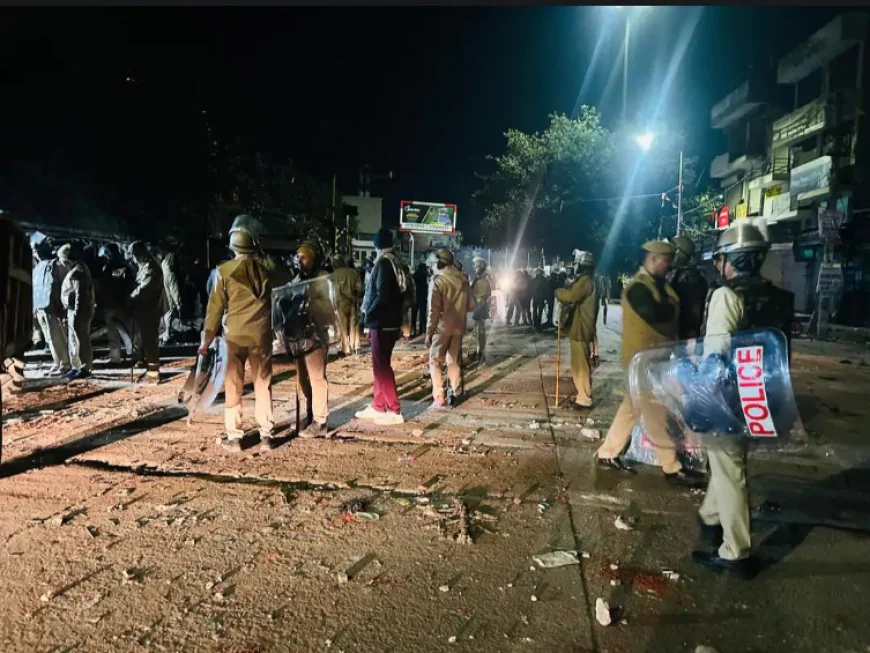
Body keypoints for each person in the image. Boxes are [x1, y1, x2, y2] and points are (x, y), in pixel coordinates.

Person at [693, 223, 794, 578]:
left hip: (729, 399)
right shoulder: (780, 298)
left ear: (731, 260)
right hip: (764, 396)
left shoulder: (727, 296)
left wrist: (699, 398)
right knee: (728, 463)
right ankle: (710, 517)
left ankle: (735, 552)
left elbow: (715, 355)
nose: (718, 266)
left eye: (720, 259)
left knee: (731, 469)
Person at [594, 240, 703, 487]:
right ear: (653, 259)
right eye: (666, 261)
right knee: (655, 412)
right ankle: (671, 468)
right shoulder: (638, 288)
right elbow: (656, 314)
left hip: (657, 358)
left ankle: (607, 452)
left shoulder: (661, 285)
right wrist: (673, 308)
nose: (669, 265)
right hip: (641, 360)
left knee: (632, 407)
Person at [201, 229, 275, 452]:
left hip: (233, 337)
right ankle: (266, 435)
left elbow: (214, 310)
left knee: (233, 385)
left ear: (232, 247)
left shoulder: (223, 272)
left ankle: (234, 438)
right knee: (263, 383)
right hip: (261, 336)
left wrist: (206, 340)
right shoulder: (266, 270)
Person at [356, 228, 408, 425]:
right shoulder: (394, 261)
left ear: (377, 245)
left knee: (382, 367)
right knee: (379, 365)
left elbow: (382, 295)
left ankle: (394, 410)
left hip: (382, 323)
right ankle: (378, 405)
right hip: (390, 322)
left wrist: (368, 315)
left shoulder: (384, 263)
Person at [289, 239, 332, 438]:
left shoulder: (322, 278)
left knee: (317, 378)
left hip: (315, 334)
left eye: (304, 257)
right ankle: (308, 414)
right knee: (302, 379)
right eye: (298, 257)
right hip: (299, 334)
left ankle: (320, 420)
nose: (300, 261)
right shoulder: (299, 278)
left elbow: (327, 307)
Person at [426, 248, 473, 409]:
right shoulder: (464, 279)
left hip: (441, 327)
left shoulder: (437, 280)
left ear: (440, 263)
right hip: (459, 326)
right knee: (454, 361)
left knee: (435, 361)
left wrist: (429, 332)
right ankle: (456, 392)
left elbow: (433, 311)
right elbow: (471, 305)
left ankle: (439, 395)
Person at [555, 251, 598, 409]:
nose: (574, 266)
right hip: (580, 327)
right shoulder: (588, 280)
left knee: (581, 365)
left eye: (576, 263)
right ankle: (582, 395)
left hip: (581, 327)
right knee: (578, 364)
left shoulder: (585, 281)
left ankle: (584, 398)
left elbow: (572, 296)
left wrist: (558, 292)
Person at [31, 238, 71, 376]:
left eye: (37, 250)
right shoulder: (39, 266)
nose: (36, 253)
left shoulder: (58, 265)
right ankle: (57, 361)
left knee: (56, 336)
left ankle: (65, 363)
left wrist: (63, 305)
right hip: (42, 306)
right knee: (49, 337)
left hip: (53, 306)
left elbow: (64, 286)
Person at [58, 242, 96, 380]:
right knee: (74, 341)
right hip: (74, 310)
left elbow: (81, 294)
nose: (60, 262)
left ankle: (85, 368)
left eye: (61, 259)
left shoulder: (79, 271)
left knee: (81, 341)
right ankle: (77, 367)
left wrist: (78, 314)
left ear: (68, 259)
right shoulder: (76, 268)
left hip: (79, 311)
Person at [128, 241, 164, 384]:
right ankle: (149, 366)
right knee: (145, 340)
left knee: (150, 341)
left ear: (142, 254)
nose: (133, 258)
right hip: (144, 310)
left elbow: (145, 289)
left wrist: (131, 297)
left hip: (149, 309)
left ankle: (153, 372)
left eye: (134, 255)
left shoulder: (151, 268)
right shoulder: (144, 266)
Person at [97, 244, 134, 364]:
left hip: (112, 305)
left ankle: (116, 357)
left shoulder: (107, 268)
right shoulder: (125, 267)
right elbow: (129, 285)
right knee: (128, 331)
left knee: (114, 333)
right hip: (122, 304)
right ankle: (133, 355)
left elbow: (103, 287)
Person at [667, 235, 709, 340]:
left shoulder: (689, 277)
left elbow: (693, 311)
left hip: (685, 336)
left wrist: (690, 333)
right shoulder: (682, 275)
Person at [332, 255, 363, 356]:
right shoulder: (353, 272)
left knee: (343, 326)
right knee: (354, 324)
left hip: (340, 303)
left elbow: (334, 291)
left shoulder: (335, 274)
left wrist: (333, 304)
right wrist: (356, 296)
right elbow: (360, 288)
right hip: (353, 301)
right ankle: (355, 346)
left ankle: (346, 349)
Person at [470, 256, 492, 365]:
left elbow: (482, 298)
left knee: (480, 333)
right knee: (478, 333)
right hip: (479, 308)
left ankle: (480, 352)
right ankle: (479, 351)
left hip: (481, 309)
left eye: (476, 267)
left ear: (481, 267)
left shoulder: (483, 280)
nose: (474, 269)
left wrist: (477, 312)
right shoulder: (479, 279)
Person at [159, 249, 182, 345]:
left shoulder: (162, 269)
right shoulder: (171, 274)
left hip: (161, 298)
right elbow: (174, 290)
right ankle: (167, 336)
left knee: (166, 317)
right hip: (169, 300)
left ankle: (165, 334)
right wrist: (178, 302)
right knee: (169, 317)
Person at [412, 262, 430, 337]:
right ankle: (422, 329)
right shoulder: (422, 275)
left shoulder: (415, 275)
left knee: (414, 314)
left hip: (416, 297)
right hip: (421, 298)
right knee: (422, 314)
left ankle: (414, 329)